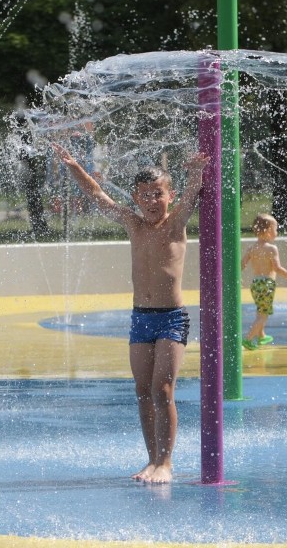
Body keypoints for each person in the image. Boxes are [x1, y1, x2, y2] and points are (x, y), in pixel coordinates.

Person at [52, 142, 207, 484]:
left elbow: (194, 192)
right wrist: (75, 167)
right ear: (136, 199)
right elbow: (97, 197)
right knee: (142, 391)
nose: (152, 201)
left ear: (170, 195)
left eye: (158, 194)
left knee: (162, 388)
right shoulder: (133, 225)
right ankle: (151, 460)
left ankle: (166, 463)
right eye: (145, 195)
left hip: (171, 318)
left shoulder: (176, 223)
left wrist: (196, 171)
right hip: (140, 318)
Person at [240, 213, 287, 350]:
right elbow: (276, 268)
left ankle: (262, 335)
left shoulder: (252, 248)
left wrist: (238, 277)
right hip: (267, 284)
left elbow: (242, 264)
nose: (277, 232)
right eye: (276, 229)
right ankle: (248, 339)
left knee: (260, 310)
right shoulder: (271, 248)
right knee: (263, 315)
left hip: (255, 284)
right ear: (269, 231)